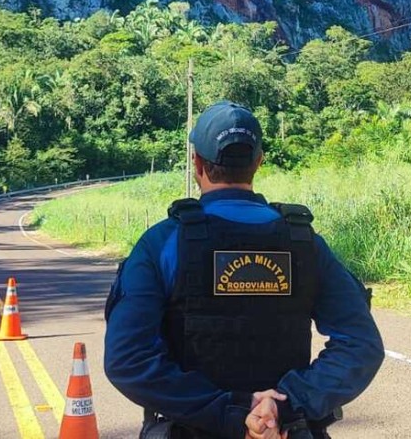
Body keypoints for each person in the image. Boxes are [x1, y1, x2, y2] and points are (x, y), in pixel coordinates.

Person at [104, 101, 384, 439]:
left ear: (196, 162)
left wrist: (232, 411)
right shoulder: (305, 242)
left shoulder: (163, 242)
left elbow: (128, 359)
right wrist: (286, 404)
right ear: (259, 162)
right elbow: (361, 345)